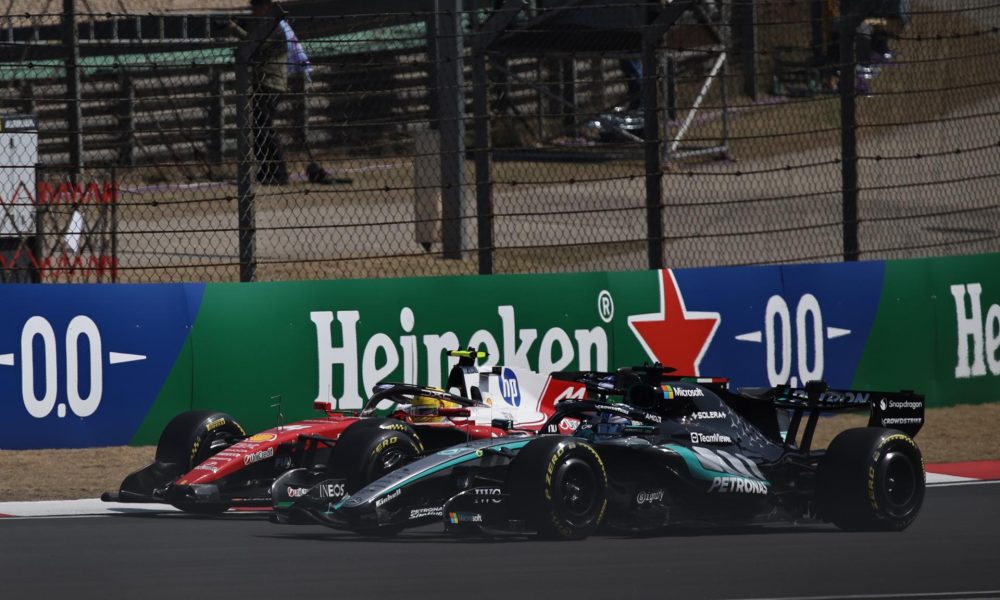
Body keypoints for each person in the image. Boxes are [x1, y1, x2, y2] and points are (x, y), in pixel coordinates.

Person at [220, 0, 349, 185]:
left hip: (271, 83)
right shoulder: (264, 24)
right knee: (259, 129)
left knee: (264, 128)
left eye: (257, 7)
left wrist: (233, 28)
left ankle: (278, 173)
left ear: (266, 7)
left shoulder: (274, 27)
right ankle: (266, 172)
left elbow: (256, 46)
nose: (254, 10)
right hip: (262, 82)